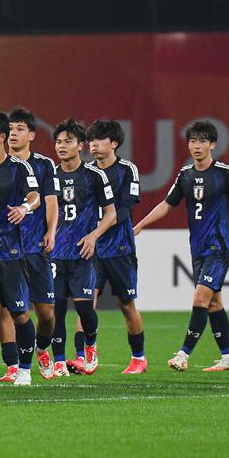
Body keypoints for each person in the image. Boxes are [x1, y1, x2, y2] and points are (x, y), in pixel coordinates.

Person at [134, 120, 229, 372]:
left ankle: (183, 355)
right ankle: (228, 358)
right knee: (214, 304)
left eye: (203, 141)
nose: (197, 146)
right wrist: (140, 225)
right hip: (198, 248)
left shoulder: (225, 173)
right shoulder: (185, 175)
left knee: (200, 298)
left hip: (219, 247)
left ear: (213, 144)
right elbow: (167, 204)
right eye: (193, 141)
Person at [0, 111, 41, 386]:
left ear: (1, 137)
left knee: (19, 313)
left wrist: (24, 208)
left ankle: (24, 369)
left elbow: (35, 196)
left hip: (10, 254)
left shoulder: (20, 168)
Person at [50, 119, 117, 377]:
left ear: (80, 146)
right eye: (58, 142)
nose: (62, 146)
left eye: (68, 141)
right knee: (55, 311)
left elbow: (111, 213)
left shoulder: (94, 176)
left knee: (84, 308)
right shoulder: (50, 176)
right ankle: (59, 361)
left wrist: (94, 236)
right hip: (55, 254)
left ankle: (90, 345)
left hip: (82, 253)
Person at [0, 108, 58, 381]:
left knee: (46, 313)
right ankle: (12, 365)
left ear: (32, 135)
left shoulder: (44, 165)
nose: (13, 133)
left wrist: (52, 232)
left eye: (20, 128)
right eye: (10, 128)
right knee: (8, 309)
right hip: (4, 248)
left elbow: (51, 202)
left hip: (35, 245)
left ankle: (42, 348)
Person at [84, 119, 145, 373]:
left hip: (120, 248)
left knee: (126, 304)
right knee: (86, 300)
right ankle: (85, 354)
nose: (93, 145)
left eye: (99, 140)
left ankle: (138, 358)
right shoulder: (86, 171)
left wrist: (100, 227)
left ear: (114, 143)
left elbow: (126, 208)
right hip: (92, 248)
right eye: (91, 140)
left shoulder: (127, 170)